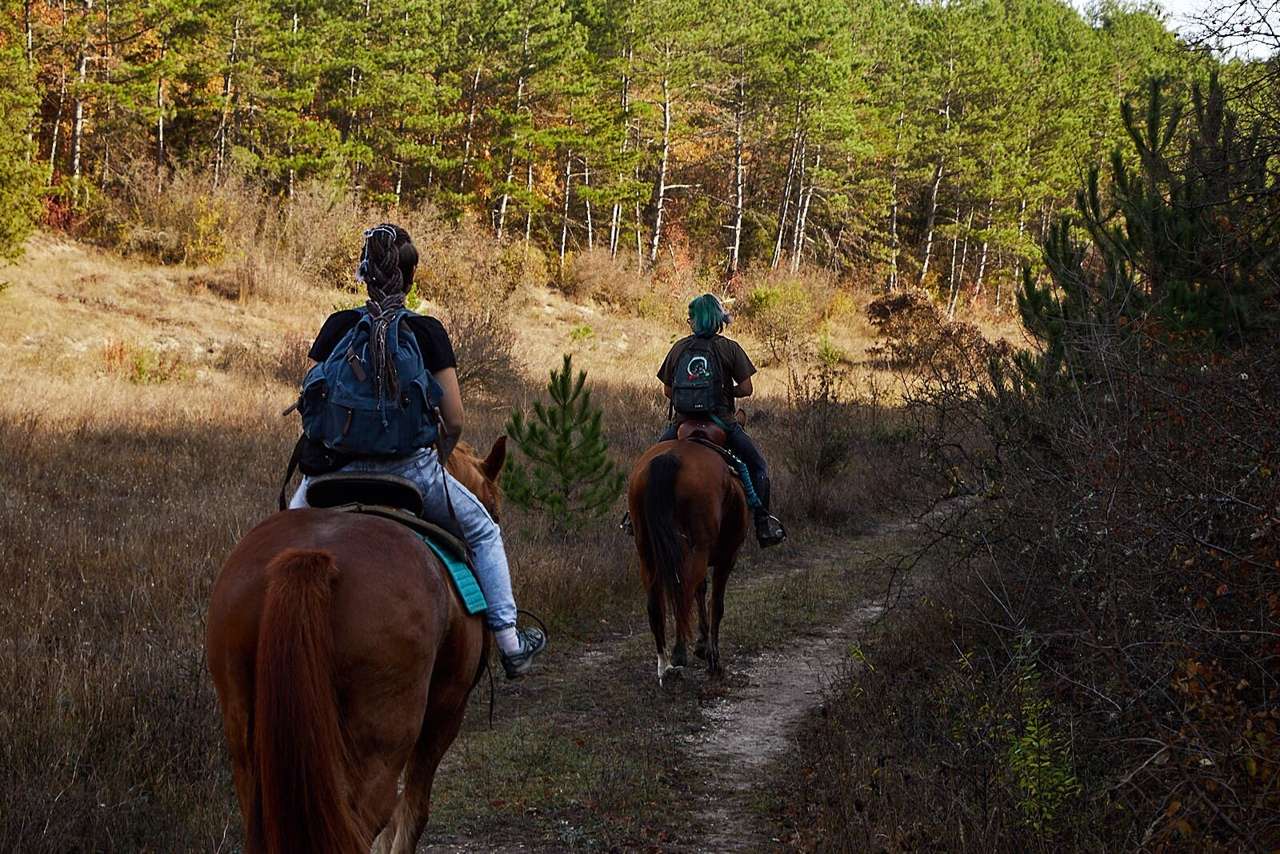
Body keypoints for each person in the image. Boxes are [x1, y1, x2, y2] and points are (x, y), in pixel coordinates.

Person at [287, 223, 546, 679]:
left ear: (363, 275)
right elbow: (457, 419)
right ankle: (510, 642)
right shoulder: (426, 333)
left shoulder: (337, 328)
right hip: (411, 475)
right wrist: (436, 453)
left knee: (283, 539)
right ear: (410, 278)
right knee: (484, 533)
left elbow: (314, 403)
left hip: (330, 475)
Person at [656, 293, 786, 547]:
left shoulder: (679, 347)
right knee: (758, 466)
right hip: (721, 421)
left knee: (650, 461)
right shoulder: (730, 348)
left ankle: (632, 517)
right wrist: (728, 392)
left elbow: (667, 391)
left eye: (690, 318)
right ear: (717, 320)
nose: (689, 322)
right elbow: (747, 389)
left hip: (682, 423)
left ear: (696, 320)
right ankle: (763, 524)